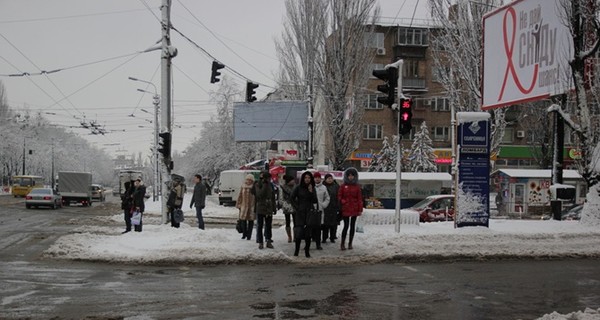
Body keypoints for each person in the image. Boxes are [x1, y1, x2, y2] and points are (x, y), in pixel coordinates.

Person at [290, 171, 318, 258]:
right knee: (299, 232)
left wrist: (311, 192)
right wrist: (297, 207)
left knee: (308, 234)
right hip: (300, 212)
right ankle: (296, 251)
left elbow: (315, 200)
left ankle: (307, 251)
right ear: (303, 178)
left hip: (309, 212)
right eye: (306, 178)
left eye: (309, 178)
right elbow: (292, 198)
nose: (307, 179)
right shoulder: (298, 187)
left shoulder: (312, 188)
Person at [337, 167, 363, 250]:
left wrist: (360, 209)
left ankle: (350, 243)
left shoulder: (357, 186)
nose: (350, 177)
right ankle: (342, 243)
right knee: (346, 226)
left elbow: (359, 198)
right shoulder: (343, 186)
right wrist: (343, 201)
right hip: (346, 208)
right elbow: (339, 196)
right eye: (349, 175)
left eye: (352, 175)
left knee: (352, 226)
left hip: (354, 208)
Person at [252, 171, 277, 249]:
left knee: (269, 225)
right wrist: (264, 185)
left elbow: (273, 197)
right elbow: (259, 194)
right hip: (260, 207)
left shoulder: (270, 185)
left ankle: (268, 240)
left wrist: (274, 207)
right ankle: (260, 242)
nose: (269, 180)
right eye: (268, 178)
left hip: (268, 207)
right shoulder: (258, 184)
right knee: (260, 225)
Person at [313, 172, 330, 250]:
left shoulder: (324, 187)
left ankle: (318, 244)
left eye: (318, 177)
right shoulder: (310, 187)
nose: (317, 179)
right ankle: (309, 241)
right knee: (310, 226)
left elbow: (327, 198)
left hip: (320, 210)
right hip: (311, 210)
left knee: (318, 227)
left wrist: (323, 205)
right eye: (315, 177)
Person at [236, 174, 256, 240]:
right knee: (243, 221)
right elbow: (240, 195)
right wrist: (238, 204)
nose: (249, 181)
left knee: (250, 221)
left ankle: (249, 235)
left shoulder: (254, 186)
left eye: (250, 180)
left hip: (251, 206)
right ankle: (244, 234)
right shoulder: (243, 186)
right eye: (247, 179)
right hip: (244, 206)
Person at [322, 173, 340, 243]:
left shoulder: (336, 186)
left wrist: (338, 206)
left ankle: (332, 237)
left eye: (331, 178)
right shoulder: (322, 186)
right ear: (325, 179)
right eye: (328, 178)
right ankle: (324, 237)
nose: (329, 180)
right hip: (325, 208)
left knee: (333, 224)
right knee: (325, 224)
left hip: (334, 207)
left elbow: (338, 197)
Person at [279, 174, 296, 243]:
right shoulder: (283, 188)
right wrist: (284, 205)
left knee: (296, 222)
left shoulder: (295, 187)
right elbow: (281, 198)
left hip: (295, 206)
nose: (293, 181)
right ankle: (289, 236)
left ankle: (295, 236)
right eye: (292, 180)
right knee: (287, 221)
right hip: (287, 206)